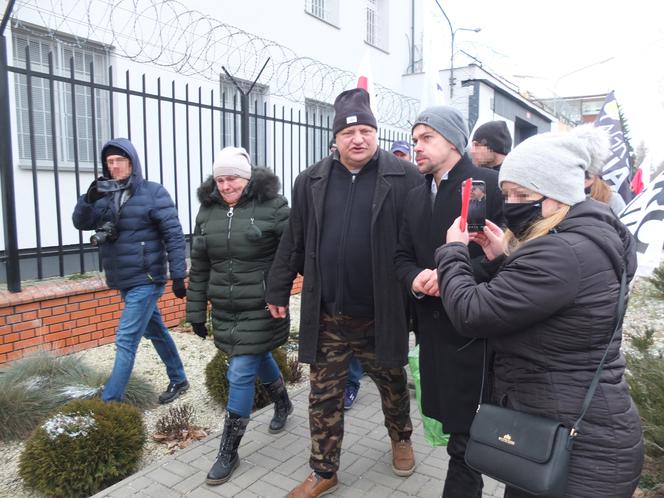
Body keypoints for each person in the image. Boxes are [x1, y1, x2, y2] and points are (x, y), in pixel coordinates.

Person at [437, 125, 644, 498]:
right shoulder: (589, 236)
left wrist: (453, 252)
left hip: (582, 452)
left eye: (524, 194)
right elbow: (552, 300)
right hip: (574, 430)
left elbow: (472, 313)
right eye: (507, 194)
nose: (512, 203)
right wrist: (505, 259)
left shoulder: (560, 252)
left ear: (560, 194)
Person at [266, 87, 422, 498]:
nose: (358, 139)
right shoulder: (311, 180)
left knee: (391, 384)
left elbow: (420, 240)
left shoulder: (404, 178)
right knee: (323, 396)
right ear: (335, 139)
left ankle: (400, 437)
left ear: (376, 134)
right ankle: (324, 469)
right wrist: (278, 289)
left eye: (366, 131)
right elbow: (293, 240)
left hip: (381, 312)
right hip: (329, 313)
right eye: (349, 133)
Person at [394, 106, 503, 497]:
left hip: (474, 333)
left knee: (466, 439)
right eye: (415, 139)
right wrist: (417, 280)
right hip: (432, 331)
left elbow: (507, 258)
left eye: (427, 138)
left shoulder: (489, 185)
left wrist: (453, 275)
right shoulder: (413, 196)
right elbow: (401, 256)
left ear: (453, 141)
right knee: (455, 431)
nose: (417, 147)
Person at [185, 146, 292, 485]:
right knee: (256, 355)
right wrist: (196, 311)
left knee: (241, 370)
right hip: (226, 307)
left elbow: (291, 254)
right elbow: (200, 265)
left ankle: (228, 451)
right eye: (220, 179)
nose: (226, 185)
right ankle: (283, 402)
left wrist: (278, 291)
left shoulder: (274, 207)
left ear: (246, 179)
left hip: (262, 304)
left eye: (232, 178)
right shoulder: (207, 212)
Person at [72, 138, 189, 404]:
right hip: (123, 278)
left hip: (147, 278)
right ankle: (179, 378)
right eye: (110, 162)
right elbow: (81, 222)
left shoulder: (153, 192)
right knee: (156, 331)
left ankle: (110, 402)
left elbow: (173, 234)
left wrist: (179, 275)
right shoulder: (104, 195)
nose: (114, 166)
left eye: (119, 161)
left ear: (132, 163)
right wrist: (88, 200)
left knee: (126, 339)